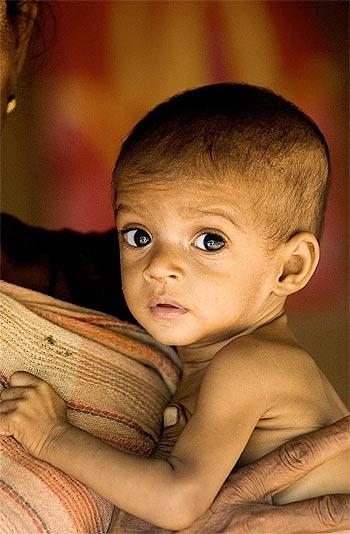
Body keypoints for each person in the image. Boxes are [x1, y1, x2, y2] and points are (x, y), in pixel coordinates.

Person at [1, 2, 349, 531]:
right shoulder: (216, 359)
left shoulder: (247, 366)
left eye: (209, 240)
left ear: (291, 268)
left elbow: (179, 502)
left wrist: (52, 436)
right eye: (138, 235)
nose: (160, 266)